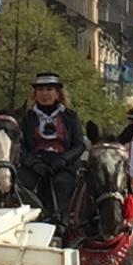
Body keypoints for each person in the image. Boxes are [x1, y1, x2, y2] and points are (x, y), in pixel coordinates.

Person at [15, 72, 87, 225]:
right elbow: (19, 146)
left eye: (49, 89)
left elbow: (79, 144)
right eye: (40, 90)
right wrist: (33, 163)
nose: (44, 94)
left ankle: (62, 221)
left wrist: (63, 160)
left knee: (62, 183)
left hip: (62, 164)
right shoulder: (27, 117)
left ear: (57, 93)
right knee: (22, 182)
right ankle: (24, 219)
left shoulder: (69, 116)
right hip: (35, 163)